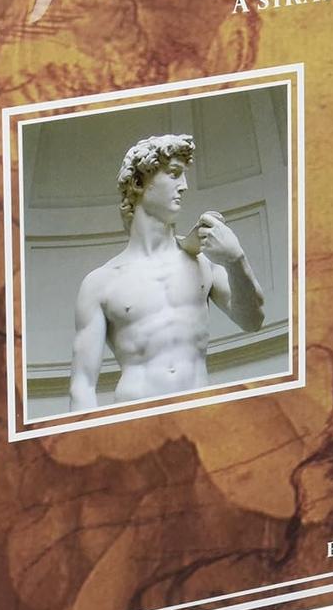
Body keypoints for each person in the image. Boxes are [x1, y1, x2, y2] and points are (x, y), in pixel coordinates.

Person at [68, 134, 265, 411]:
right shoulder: (100, 283)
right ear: (139, 182)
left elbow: (253, 320)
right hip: (138, 421)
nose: (184, 186)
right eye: (174, 173)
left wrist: (236, 260)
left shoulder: (201, 263)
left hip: (198, 415)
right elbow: (82, 385)